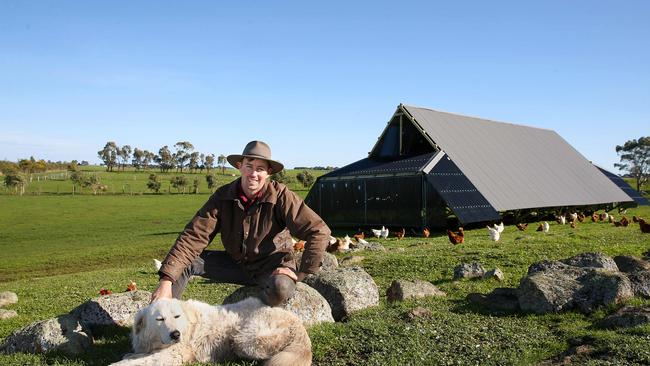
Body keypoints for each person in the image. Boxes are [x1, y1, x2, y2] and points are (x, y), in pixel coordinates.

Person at [151, 140, 331, 306]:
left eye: (260, 169)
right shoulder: (223, 197)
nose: (254, 174)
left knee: (281, 287)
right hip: (236, 264)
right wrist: (166, 280)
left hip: (272, 268)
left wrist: (301, 273)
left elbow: (318, 230)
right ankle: (165, 320)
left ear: (268, 173)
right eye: (249, 166)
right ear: (240, 166)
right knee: (187, 262)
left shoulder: (281, 196)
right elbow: (193, 236)